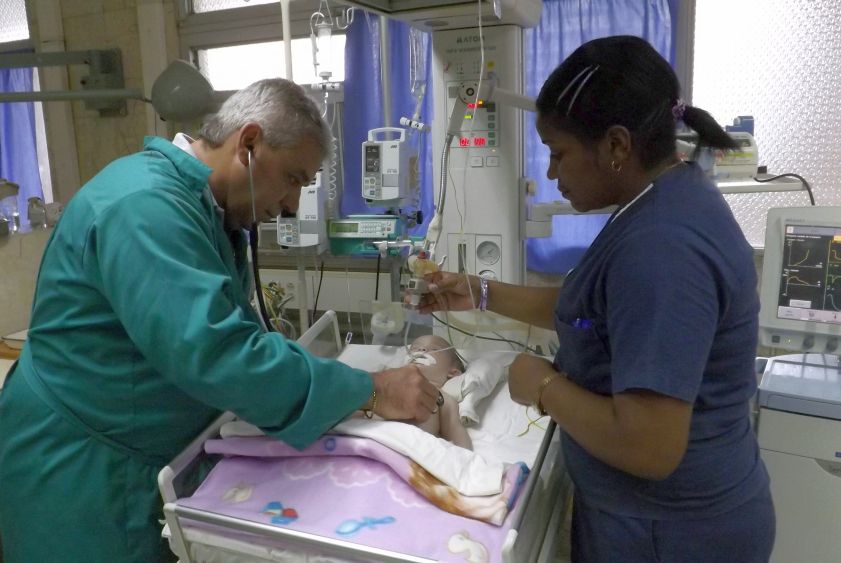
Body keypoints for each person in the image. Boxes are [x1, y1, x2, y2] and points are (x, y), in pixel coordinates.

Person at [0, 78, 440, 563]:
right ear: (248, 143)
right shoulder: (146, 208)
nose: (293, 205)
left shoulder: (205, 212)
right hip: (78, 464)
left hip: (140, 448)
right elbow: (221, 354)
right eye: (294, 178)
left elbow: (239, 332)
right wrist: (371, 389)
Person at [414, 36, 775, 562]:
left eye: (559, 154)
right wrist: (480, 291)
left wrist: (542, 385)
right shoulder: (662, 199)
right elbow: (596, 314)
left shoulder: (662, 248)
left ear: (616, 146)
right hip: (652, 518)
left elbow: (649, 446)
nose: (553, 173)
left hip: (670, 533)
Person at [405, 335, 471, 449]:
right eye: (415, 348)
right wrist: (374, 395)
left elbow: (456, 433)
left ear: (453, 373)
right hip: (372, 437)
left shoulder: (442, 398)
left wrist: (467, 462)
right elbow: (369, 400)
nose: (422, 350)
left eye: (435, 349)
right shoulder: (384, 383)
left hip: (406, 449)